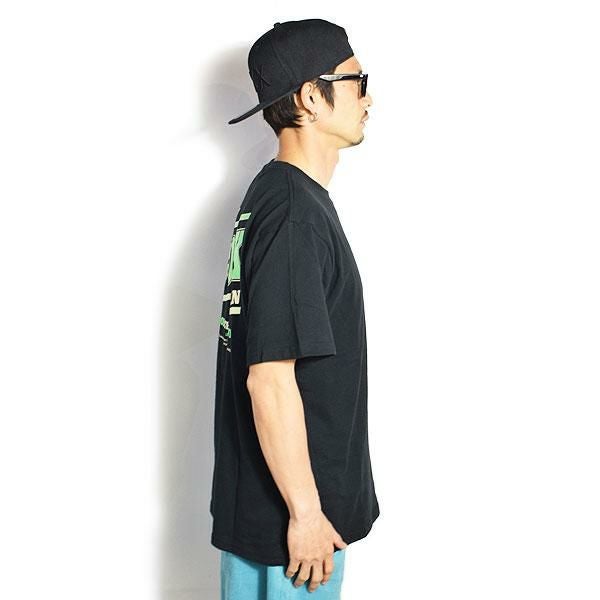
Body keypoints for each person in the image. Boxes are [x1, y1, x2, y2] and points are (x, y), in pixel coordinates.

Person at [210, 18, 378, 599]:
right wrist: (306, 513)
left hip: (279, 520)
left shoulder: (281, 199)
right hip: (296, 535)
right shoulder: (292, 215)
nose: (369, 98)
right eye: (357, 82)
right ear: (311, 95)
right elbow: (269, 380)